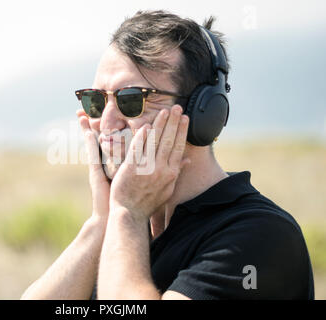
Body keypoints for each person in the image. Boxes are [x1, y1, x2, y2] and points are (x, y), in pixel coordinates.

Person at [22, 10, 314, 300]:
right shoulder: (123, 231)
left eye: (132, 99)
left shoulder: (260, 235)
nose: (107, 124)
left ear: (203, 112)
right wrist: (103, 220)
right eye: (96, 100)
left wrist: (127, 213)